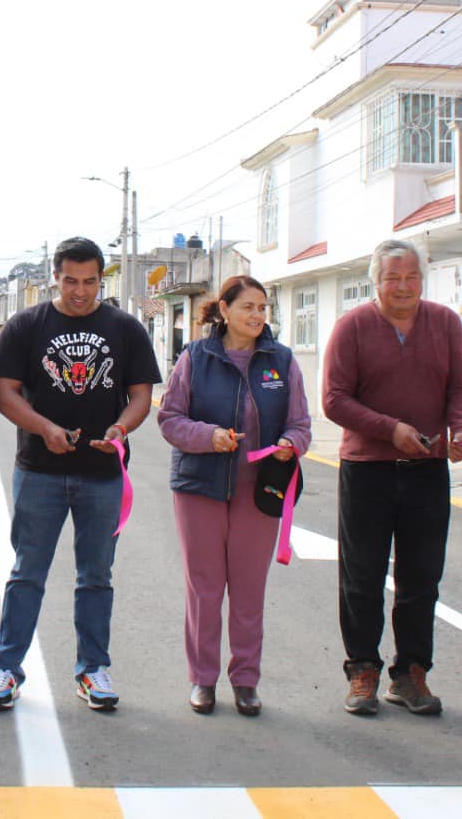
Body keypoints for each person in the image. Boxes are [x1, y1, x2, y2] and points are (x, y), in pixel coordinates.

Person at [0, 236, 160, 712]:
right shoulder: (25, 325)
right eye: (70, 281)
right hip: (38, 470)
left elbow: (141, 395)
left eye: (89, 282)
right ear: (54, 278)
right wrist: (44, 428)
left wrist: (121, 429)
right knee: (27, 573)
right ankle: (7, 669)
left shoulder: (126, 328)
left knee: (96, 577)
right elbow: (5, 393)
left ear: (101, 279)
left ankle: (93, 671)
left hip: (103, 474)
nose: (80, 291)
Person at [322, 238, 462, 718]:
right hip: (368, 471)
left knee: (421, 579)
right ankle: (362, 670)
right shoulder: (352, 327)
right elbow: (334, 399)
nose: (404, 285)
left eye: (412, 276)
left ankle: (410, 674)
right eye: (393, 277)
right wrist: (390, 430)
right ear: (376, 281)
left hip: (428, 470)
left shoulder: (446, 323)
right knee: (362, 576)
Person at [157, 275, 311, 717]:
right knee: (204, 589)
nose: (258, 316)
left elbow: (301, 425)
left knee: (249, 590)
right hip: (199, 487)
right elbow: (169, 419)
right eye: (248, 307)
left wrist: (290, 445)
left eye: (263, 308)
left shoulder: (281, 361)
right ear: (224, 311)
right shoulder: (195, 358)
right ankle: (202, 680)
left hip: (259, 491)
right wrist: (209, 437)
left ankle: (246, 680)